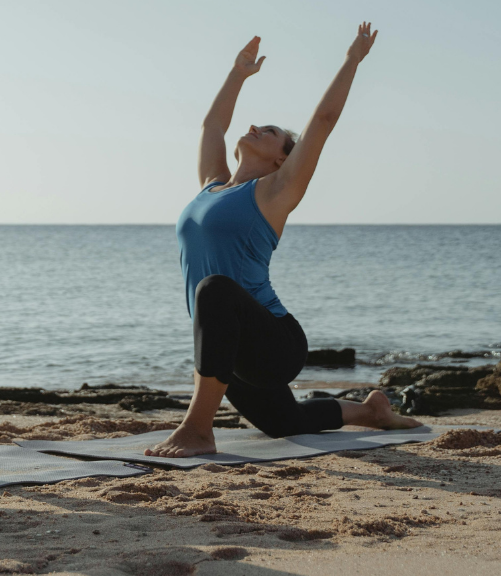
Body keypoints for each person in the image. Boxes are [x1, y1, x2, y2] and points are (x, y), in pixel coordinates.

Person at [146, 24, 420, 458]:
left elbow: (324, 123)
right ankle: (371, 411)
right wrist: (238, 73)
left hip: (275, 341)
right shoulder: (211, 185)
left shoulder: (276, 192)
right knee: (282, 422)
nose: (254, 126)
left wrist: (352, 59)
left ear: (281, 157)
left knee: (213, 290)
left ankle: (198, 430)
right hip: (231, 344)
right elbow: (213, 124)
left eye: (269, 130)